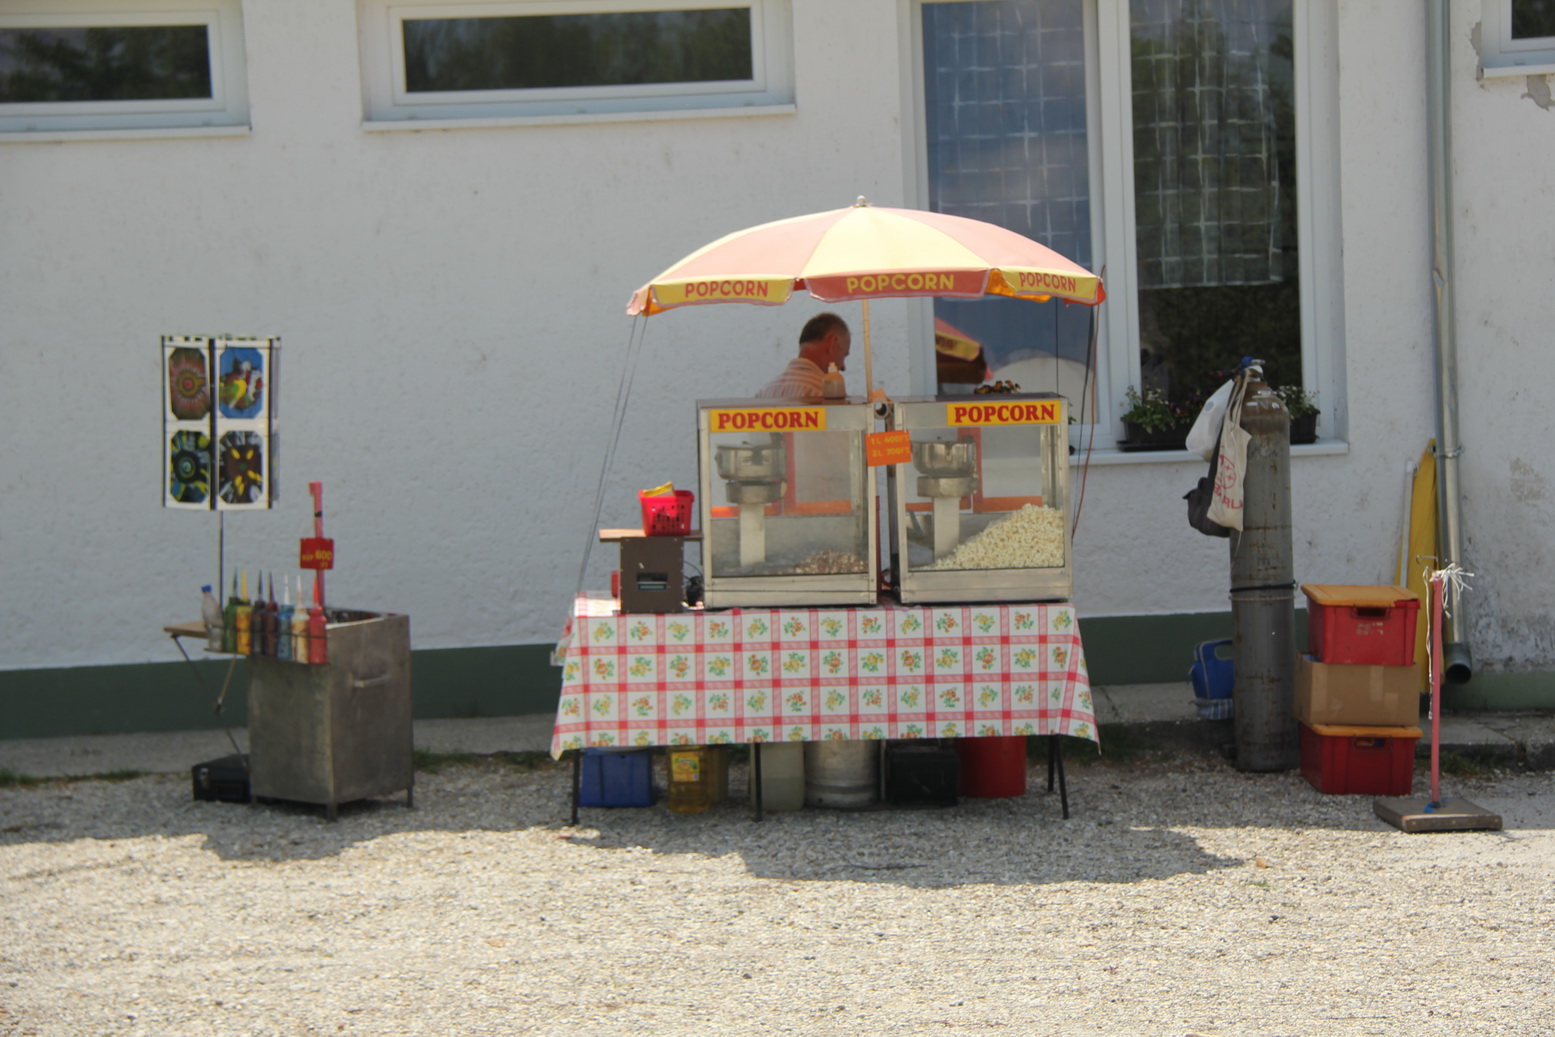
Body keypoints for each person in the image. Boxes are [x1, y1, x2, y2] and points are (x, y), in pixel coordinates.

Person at [755, 313, 851, 398]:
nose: (843, 367)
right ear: (832, 344)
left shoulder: (764, 392)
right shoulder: (826, 394)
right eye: (844, 354)